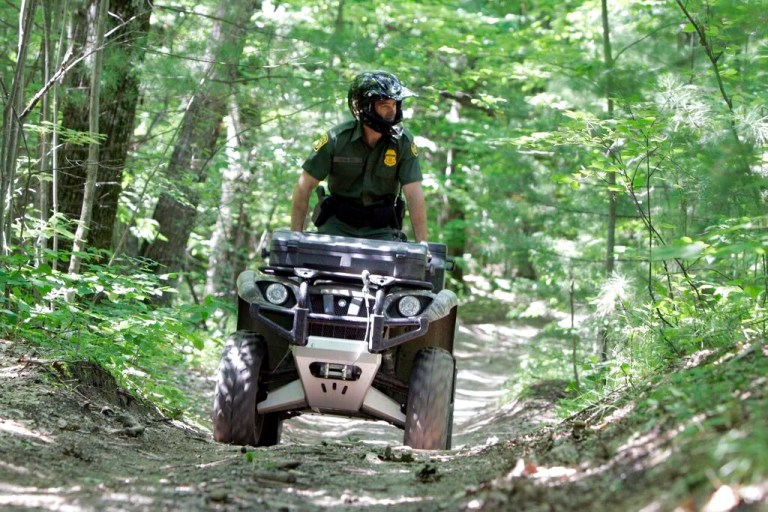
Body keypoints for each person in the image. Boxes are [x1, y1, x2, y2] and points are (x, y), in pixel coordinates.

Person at [290, 71, 428, 243]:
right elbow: (304, 186)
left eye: (394, 104)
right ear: (365, 106)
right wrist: (295, 236)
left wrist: (422, 244)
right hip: (338, 225)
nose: (391, 111)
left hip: (381, 229)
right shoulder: (336, 139)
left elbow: (414, 193)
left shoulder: (403, 143)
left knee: (396, 267)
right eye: (385, 105)